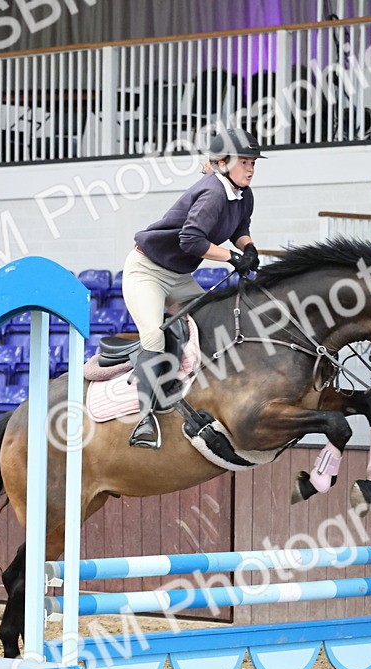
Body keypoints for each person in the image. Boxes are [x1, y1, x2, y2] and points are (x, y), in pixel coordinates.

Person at [122, 129, 265, 449]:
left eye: (253, 162)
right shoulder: (213, 192)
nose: (251, 169)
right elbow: (191, 240)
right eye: (244, 162)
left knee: (216, 320)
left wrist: (249, 247)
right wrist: (232, 257)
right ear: (222, 163)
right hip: (147, 272)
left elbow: (240, 229)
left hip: (179, 276)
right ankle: (145, 420)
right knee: (154, 335)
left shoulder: (243, 194)